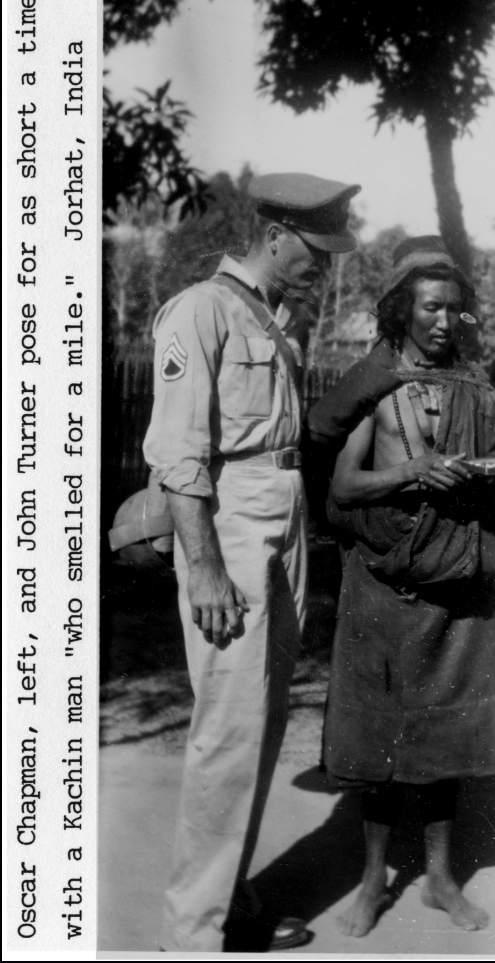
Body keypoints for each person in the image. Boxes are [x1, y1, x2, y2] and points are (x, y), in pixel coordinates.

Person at [143, 172, 360, 952]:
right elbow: (178, 455)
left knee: (261, 725)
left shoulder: (273, 319)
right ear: (273, 235)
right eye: (315, 248)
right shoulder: (200, 311)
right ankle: (192, 934)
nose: (326, 264)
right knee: (228, 731)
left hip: (281, 515)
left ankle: (228, 900)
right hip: (229, 522)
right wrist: (203, 568)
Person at [306, 237, 495, 938]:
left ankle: (437, 878)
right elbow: (345, 484)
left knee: (447, 741)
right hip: (379, 583)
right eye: (431, 307)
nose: (443, 321)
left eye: (453, 310)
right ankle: (373, 881)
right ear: (403, 308)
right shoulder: (371, 384)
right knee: (377, 740)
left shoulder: (473, 385)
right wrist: (412, 471)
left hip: (453, 587)